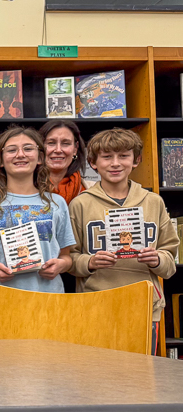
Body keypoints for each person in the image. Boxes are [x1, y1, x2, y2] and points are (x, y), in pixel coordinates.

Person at [69, 128, 179, 355]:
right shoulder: (80, 205)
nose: (115, 163)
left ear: (136, 160)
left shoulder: (153, 202)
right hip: (95, 305)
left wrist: (157, 259)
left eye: (123, 156)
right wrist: (89, 262)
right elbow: (68, 259)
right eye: (107, 157)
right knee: (96, 376)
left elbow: (169, 261)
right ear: (93, 163)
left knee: (140, 378)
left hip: (144, 307)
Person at [0, 126, 76, 311]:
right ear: (0, 160)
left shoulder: (57, 203)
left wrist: (60, 265)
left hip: (49, 297)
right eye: (12, 150)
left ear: (40, 158)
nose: (20, 155)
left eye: (28, 148)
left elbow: (66, 257)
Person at [39, 119, 92, 205]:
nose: (58, 150)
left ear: (75, 149)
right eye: (51, 143)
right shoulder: (28, 190)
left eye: (65, 143)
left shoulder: (91, 190)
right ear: (40, 148)